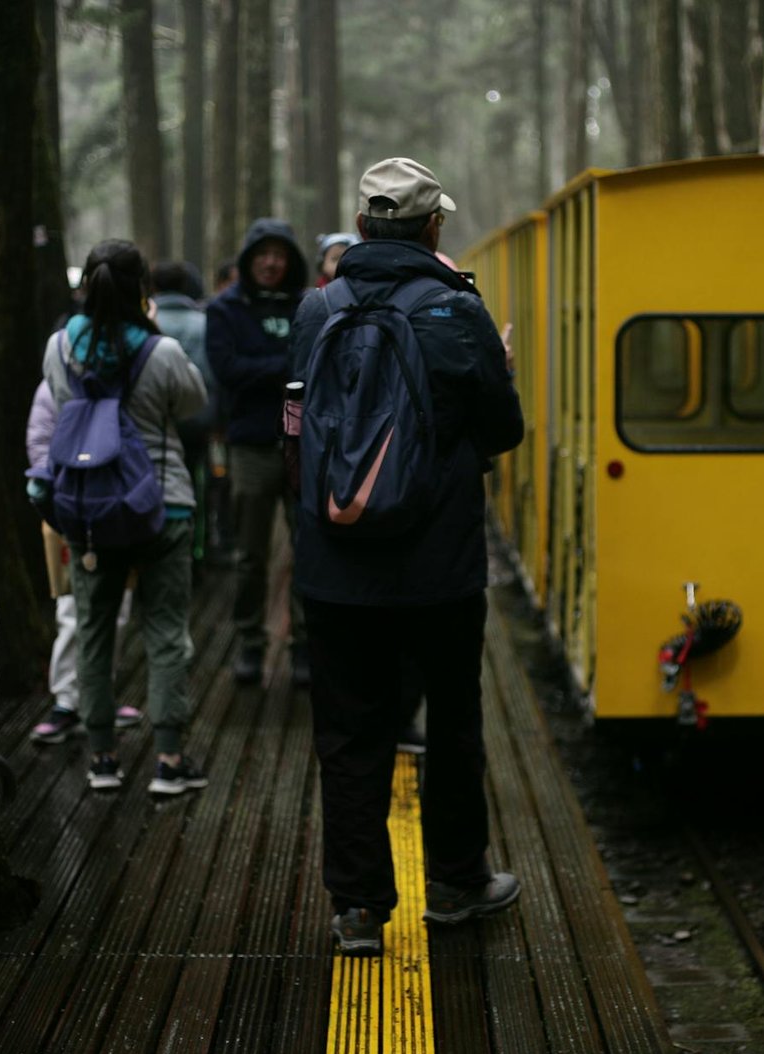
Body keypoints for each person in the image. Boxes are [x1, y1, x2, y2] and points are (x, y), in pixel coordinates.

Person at [290, 157, 525, 957]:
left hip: (335, 568)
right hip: (440, 568)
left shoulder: (317, 310)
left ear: (359, 228)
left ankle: (358, 910)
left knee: (350, 737)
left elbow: (295, 435)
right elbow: (504, 431)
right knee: (453, 724)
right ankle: (457, 885)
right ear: (433, 230)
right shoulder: (456, 312)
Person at [42, 240, 209, 794]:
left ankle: (103, 758)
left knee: (93, 632)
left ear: (86, 285)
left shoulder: (60, 347)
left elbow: (63, 401)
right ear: (144, 291)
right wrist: (154, 333)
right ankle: (167, 760)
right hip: (162, 505)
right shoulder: (158, 352)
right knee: (165, 633)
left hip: (88, 507)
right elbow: (192, 402)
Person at [206, 219, 311, 687]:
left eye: (280, 254)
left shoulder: (305, 306)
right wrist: (284, 368)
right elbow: (227, 370)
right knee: (250, 554)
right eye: (262, 254)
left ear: (290, 260)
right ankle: (251, 642)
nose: (271, 262)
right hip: (249, 444)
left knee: (308, 548)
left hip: (303, 444)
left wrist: (269, 371)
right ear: (249, 259)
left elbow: (312, 367)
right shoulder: (226, 309)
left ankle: (304, 645)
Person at [25, 379, 145, 743]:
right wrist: (63, 489)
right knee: (71, 606)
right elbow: (40, 440)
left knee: (118, 607)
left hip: (115, 507)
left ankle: (100, 695)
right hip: (70, 510)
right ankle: (66, 700)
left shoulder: (124, 378)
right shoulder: (53, 383)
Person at [150, 261, 217, 569]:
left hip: (150, 424)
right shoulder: (203, 324)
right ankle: (196, 553)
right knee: (195, 489)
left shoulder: (145, 321)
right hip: (195, 424)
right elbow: (212, 378)